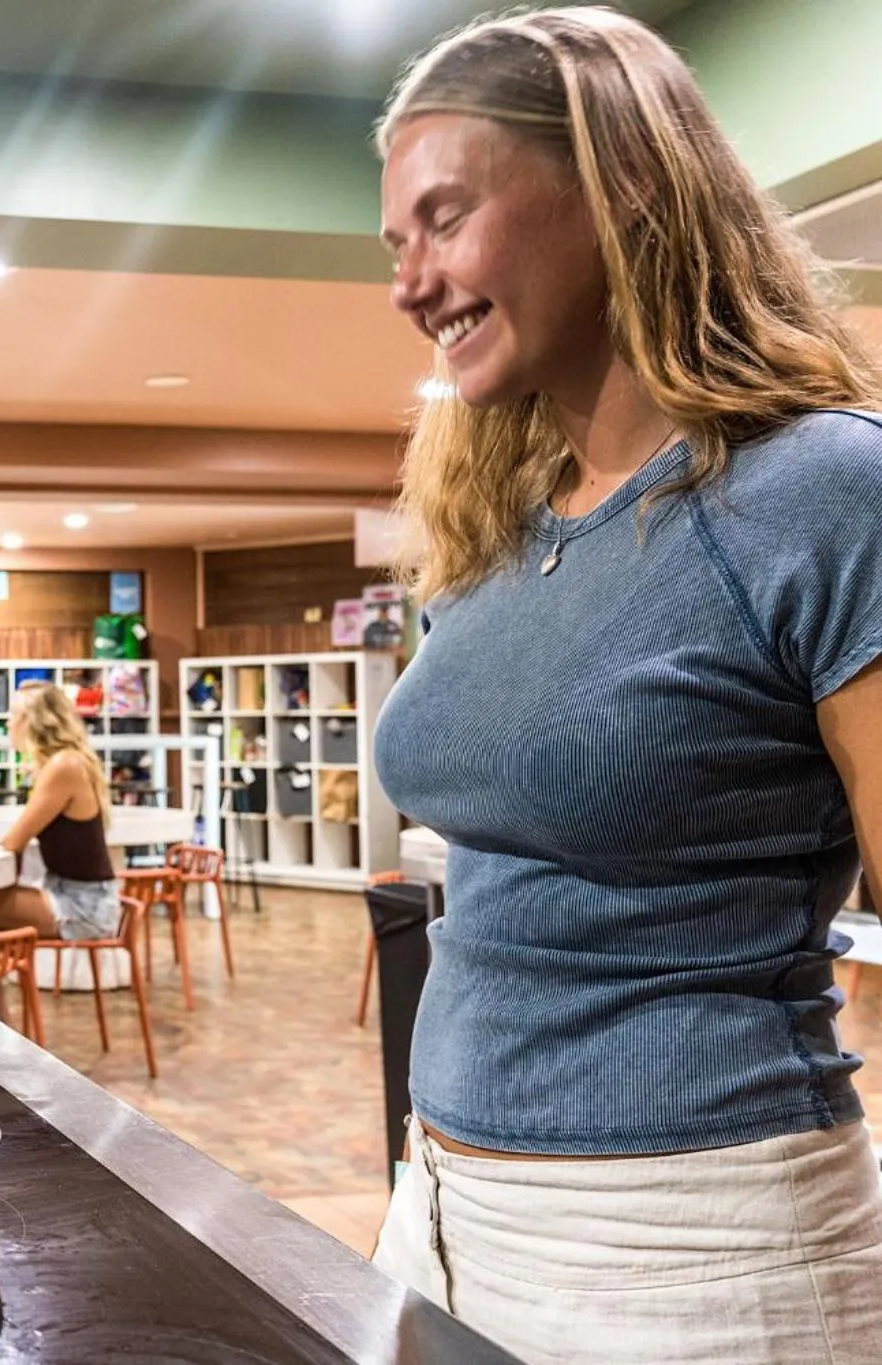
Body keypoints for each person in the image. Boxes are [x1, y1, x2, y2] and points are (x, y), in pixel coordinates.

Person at [371, 9, 882, 1361]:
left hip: (699, 1246)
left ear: (619, 188)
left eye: (444, 218)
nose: (410, 283)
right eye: (396, 245)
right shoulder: (495, 525)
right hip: (437, 1209)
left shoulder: (827, 490)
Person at [0, 683, 122, 1021]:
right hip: (68, 893)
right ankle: (1, 1036)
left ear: (35, 721)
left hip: (83, 906)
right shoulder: (63, 763)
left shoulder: (65, 766)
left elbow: (13, 841)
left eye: (13, 716)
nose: (7, 725)